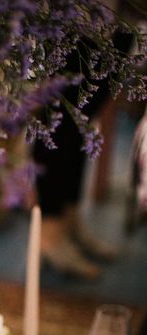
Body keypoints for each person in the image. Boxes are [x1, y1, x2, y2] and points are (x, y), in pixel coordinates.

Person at [34, 33, 133, 280]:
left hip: (118, 15)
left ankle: (70, 221)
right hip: (79, 16)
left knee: (82, 121)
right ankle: (50, 232)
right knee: (59, 120)